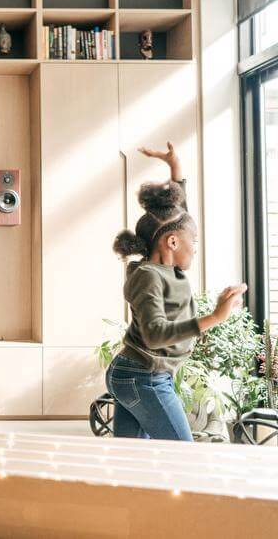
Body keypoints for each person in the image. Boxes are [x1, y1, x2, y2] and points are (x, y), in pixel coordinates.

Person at [108, 142, 247, 441]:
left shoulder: (167, 265)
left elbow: (178, 215)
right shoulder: (148, 277)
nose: (195, 247)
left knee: (130, 460)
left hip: (144, 375)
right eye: (193, 241)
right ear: (172, 243)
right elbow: (156, 334)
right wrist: (215, 316)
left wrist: (175, 167)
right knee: (182, 454)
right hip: (143, 377)